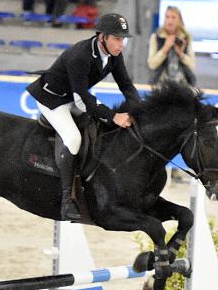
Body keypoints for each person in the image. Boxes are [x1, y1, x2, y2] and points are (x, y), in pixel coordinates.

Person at [26, 13, 140, 221]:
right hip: (53, 99)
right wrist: (113, 116)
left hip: (74, 95)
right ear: (102, 37)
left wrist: (139, 110)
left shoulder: (114, 54)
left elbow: (126, 86)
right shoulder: (81, 55)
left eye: (123, 38)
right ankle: (66, 201)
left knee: (96, 128)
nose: (121, 44)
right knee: (74, 138)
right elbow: (83, 101)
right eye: (116, 38)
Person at [147, 5, 197, 86]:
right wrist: (164, 49)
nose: (169, 20)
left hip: (183, 84)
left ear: (179, 20)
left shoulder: (186, 38)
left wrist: (181, 54)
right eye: (167, 17)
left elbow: (192, 65)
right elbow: (152, 64)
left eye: (173, 17)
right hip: (160, 84)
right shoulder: (156, 37)